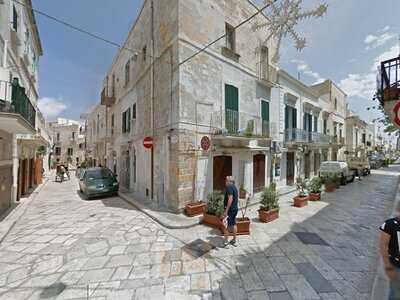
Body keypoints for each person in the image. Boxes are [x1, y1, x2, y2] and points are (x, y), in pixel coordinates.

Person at [379, 202, 400, 299]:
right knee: (395, 294)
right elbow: (383, 246)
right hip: (397, 266)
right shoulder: (390, 224)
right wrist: (388, 267)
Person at [222, 176, 239, 247]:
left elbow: (230, 199)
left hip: (230, 210)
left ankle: (226, 242)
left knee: (226, 226)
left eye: (226, 180)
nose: (225, 182)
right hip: (235, 209)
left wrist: (226, 210)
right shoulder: (235, 187)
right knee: (234, 224)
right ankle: (234, 240)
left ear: (230, 181)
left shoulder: (229, 188)